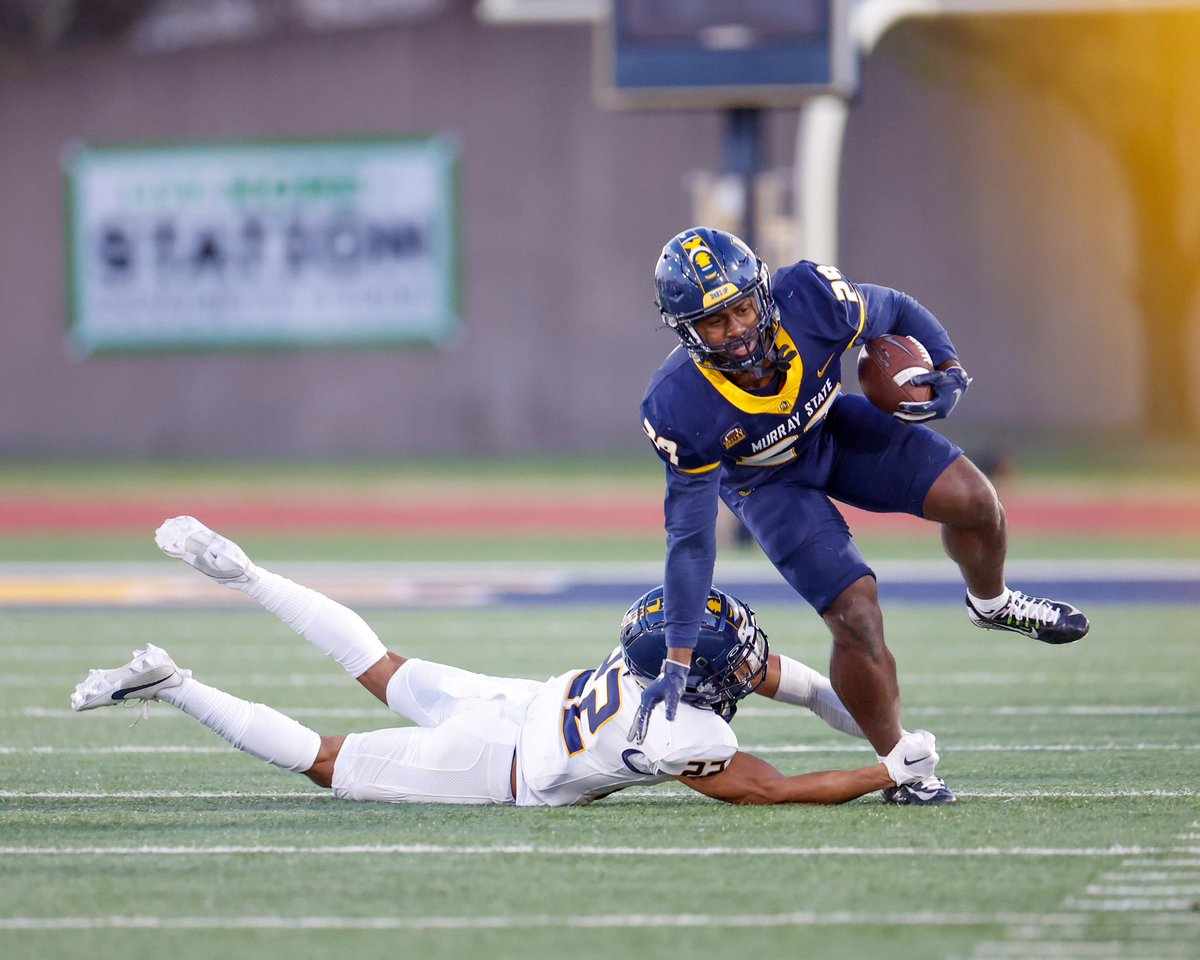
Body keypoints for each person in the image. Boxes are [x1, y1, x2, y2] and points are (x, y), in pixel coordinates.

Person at [633, 226, 1090, 804]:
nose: (738, 331)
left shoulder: (811, 299)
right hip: (768, 486)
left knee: (975, 500)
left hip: (833, 431)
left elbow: (894, 308)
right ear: (687, 332)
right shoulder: (680, 404)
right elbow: (691, 541)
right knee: (855, 614)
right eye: (715, 322)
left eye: (742, 309)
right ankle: (901, 763)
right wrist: (677, 658)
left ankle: (992, 603)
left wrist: (946, 366)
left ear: (763, 294)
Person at [70, 516, 940, 807]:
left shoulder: (665, 654)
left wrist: (887, 737)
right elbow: (772, 791)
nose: (755, 660)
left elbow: (806, 684)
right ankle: (174, 683)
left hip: (525, 700)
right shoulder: (684, 727)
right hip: (503, 762)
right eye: (739, 655)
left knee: (380, 663)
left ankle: (249, 574)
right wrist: (885, 772)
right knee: (327, 763)